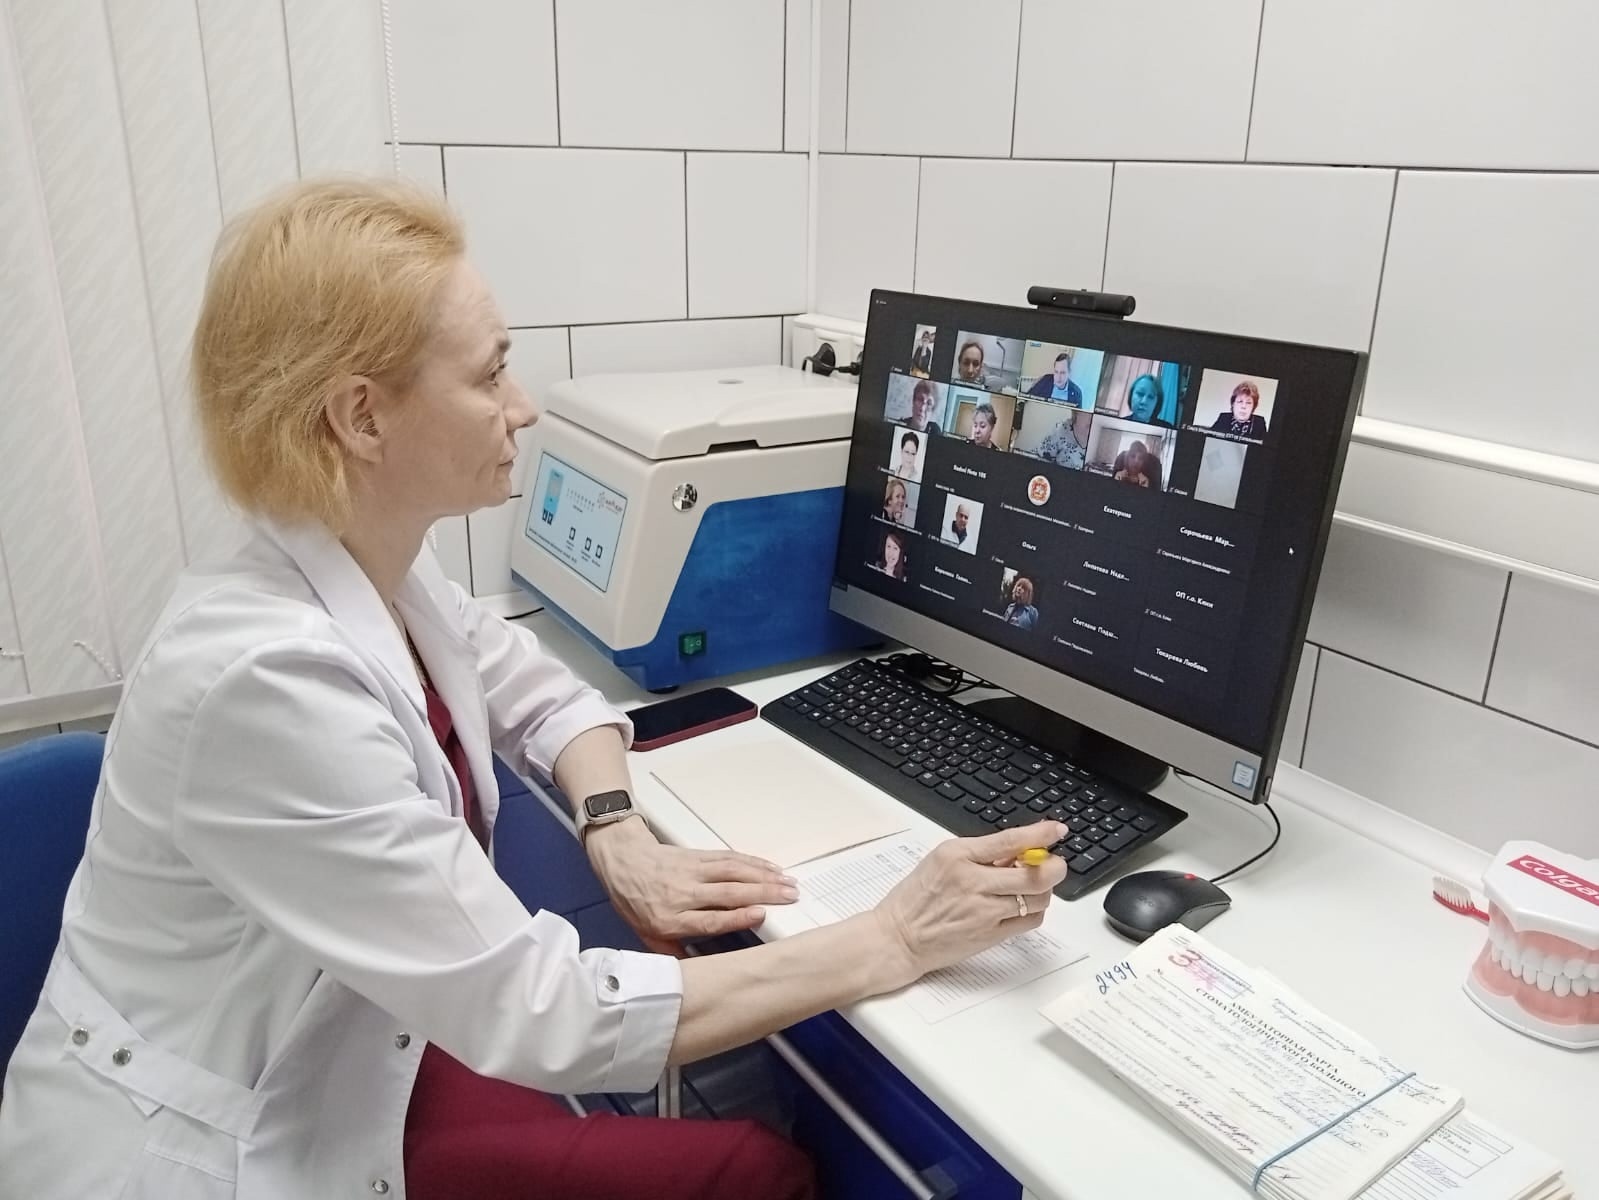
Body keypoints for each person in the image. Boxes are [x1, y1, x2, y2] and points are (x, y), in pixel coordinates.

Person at [0, 178, 1069, 1200]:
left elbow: (541, 694)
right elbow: (545, 1013)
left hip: (352, 1045)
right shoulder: (266, 683)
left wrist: (614, 827)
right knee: (755, 1171)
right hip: (211, 1144)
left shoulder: (375, 563)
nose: (521, 409)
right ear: (362, 418)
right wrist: (890, 937)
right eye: (489, 376)